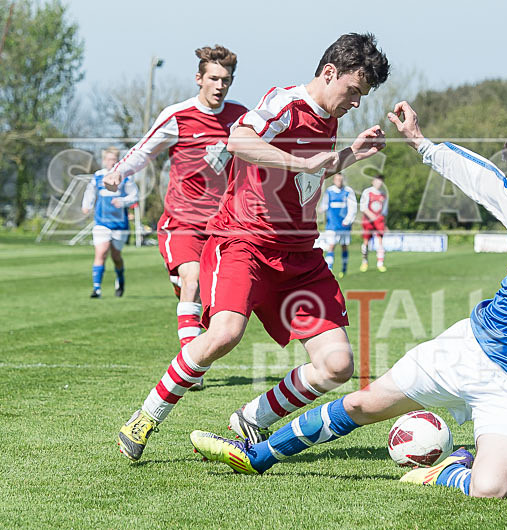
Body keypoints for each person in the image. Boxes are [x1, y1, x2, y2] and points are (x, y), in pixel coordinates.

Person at [189, 102, 507, 498]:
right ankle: (257, 453)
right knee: (365, 402)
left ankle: (445, 470)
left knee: (492, 488)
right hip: (470, 348)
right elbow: (475, 177)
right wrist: (421, 142)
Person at [116, 33, 390, 462]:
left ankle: (250, 419)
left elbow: (308, 175)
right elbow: (239, 140)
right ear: (329, 72)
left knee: (337, 366)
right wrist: (301, 161)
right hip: (245, 241)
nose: (356, 101)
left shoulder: (330, 119)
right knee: (225, 334)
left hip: (298, 255)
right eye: (354, 90)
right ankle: (145, 416)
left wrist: (350, 155)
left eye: (363, 95)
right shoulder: (285, 102)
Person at [104, 45, 248, 362]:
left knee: (214, 302)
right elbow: (144, 150)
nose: (220, 85)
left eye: (226, 79)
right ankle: (190, 364)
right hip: (181, 222)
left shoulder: (240, 117)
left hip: (222, 226)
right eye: (214, 78)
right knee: (193, 281)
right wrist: (118, 172)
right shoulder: (178, 115)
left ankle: (182, 290)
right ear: (199, 78)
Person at [81, 146, 138, 298]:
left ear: (118, 160)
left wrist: (122, 201)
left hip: (119, 223)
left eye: (114, 159)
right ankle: (96, 289)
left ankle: (120, 280)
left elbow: (134, 196)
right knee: (101, 251)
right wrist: (86, 205)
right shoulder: (98, 176)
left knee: (116, 256)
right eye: (108, 159)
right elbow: (90, 192)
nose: (111, 162)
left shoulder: (125, 176)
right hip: (101, 222)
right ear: (104, 160)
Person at [321, 173, 357, 278]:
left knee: (344, 246)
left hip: (344, 225)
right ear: (334, 180)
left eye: (341, 179)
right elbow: (324, 205)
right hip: (332, 225)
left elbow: (353, 208)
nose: (339, 181)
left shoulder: (348, 192)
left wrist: (348, 220)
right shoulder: (329, 191)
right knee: (331, 246)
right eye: (337, 179)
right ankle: (329, 269)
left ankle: (344, 269)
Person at [359, 174, 388, 272]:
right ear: (373, 181)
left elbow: (384, 211)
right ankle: (364, 262)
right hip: (368, 221)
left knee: (380, 241)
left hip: (379, 221)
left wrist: (384, 223)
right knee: (366, 242)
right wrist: (372, 217)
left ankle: (380, 263)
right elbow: (363, 207)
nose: (379, 182)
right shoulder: (367, 192)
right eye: (377, 180)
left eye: (381, 181)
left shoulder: (383, 194)